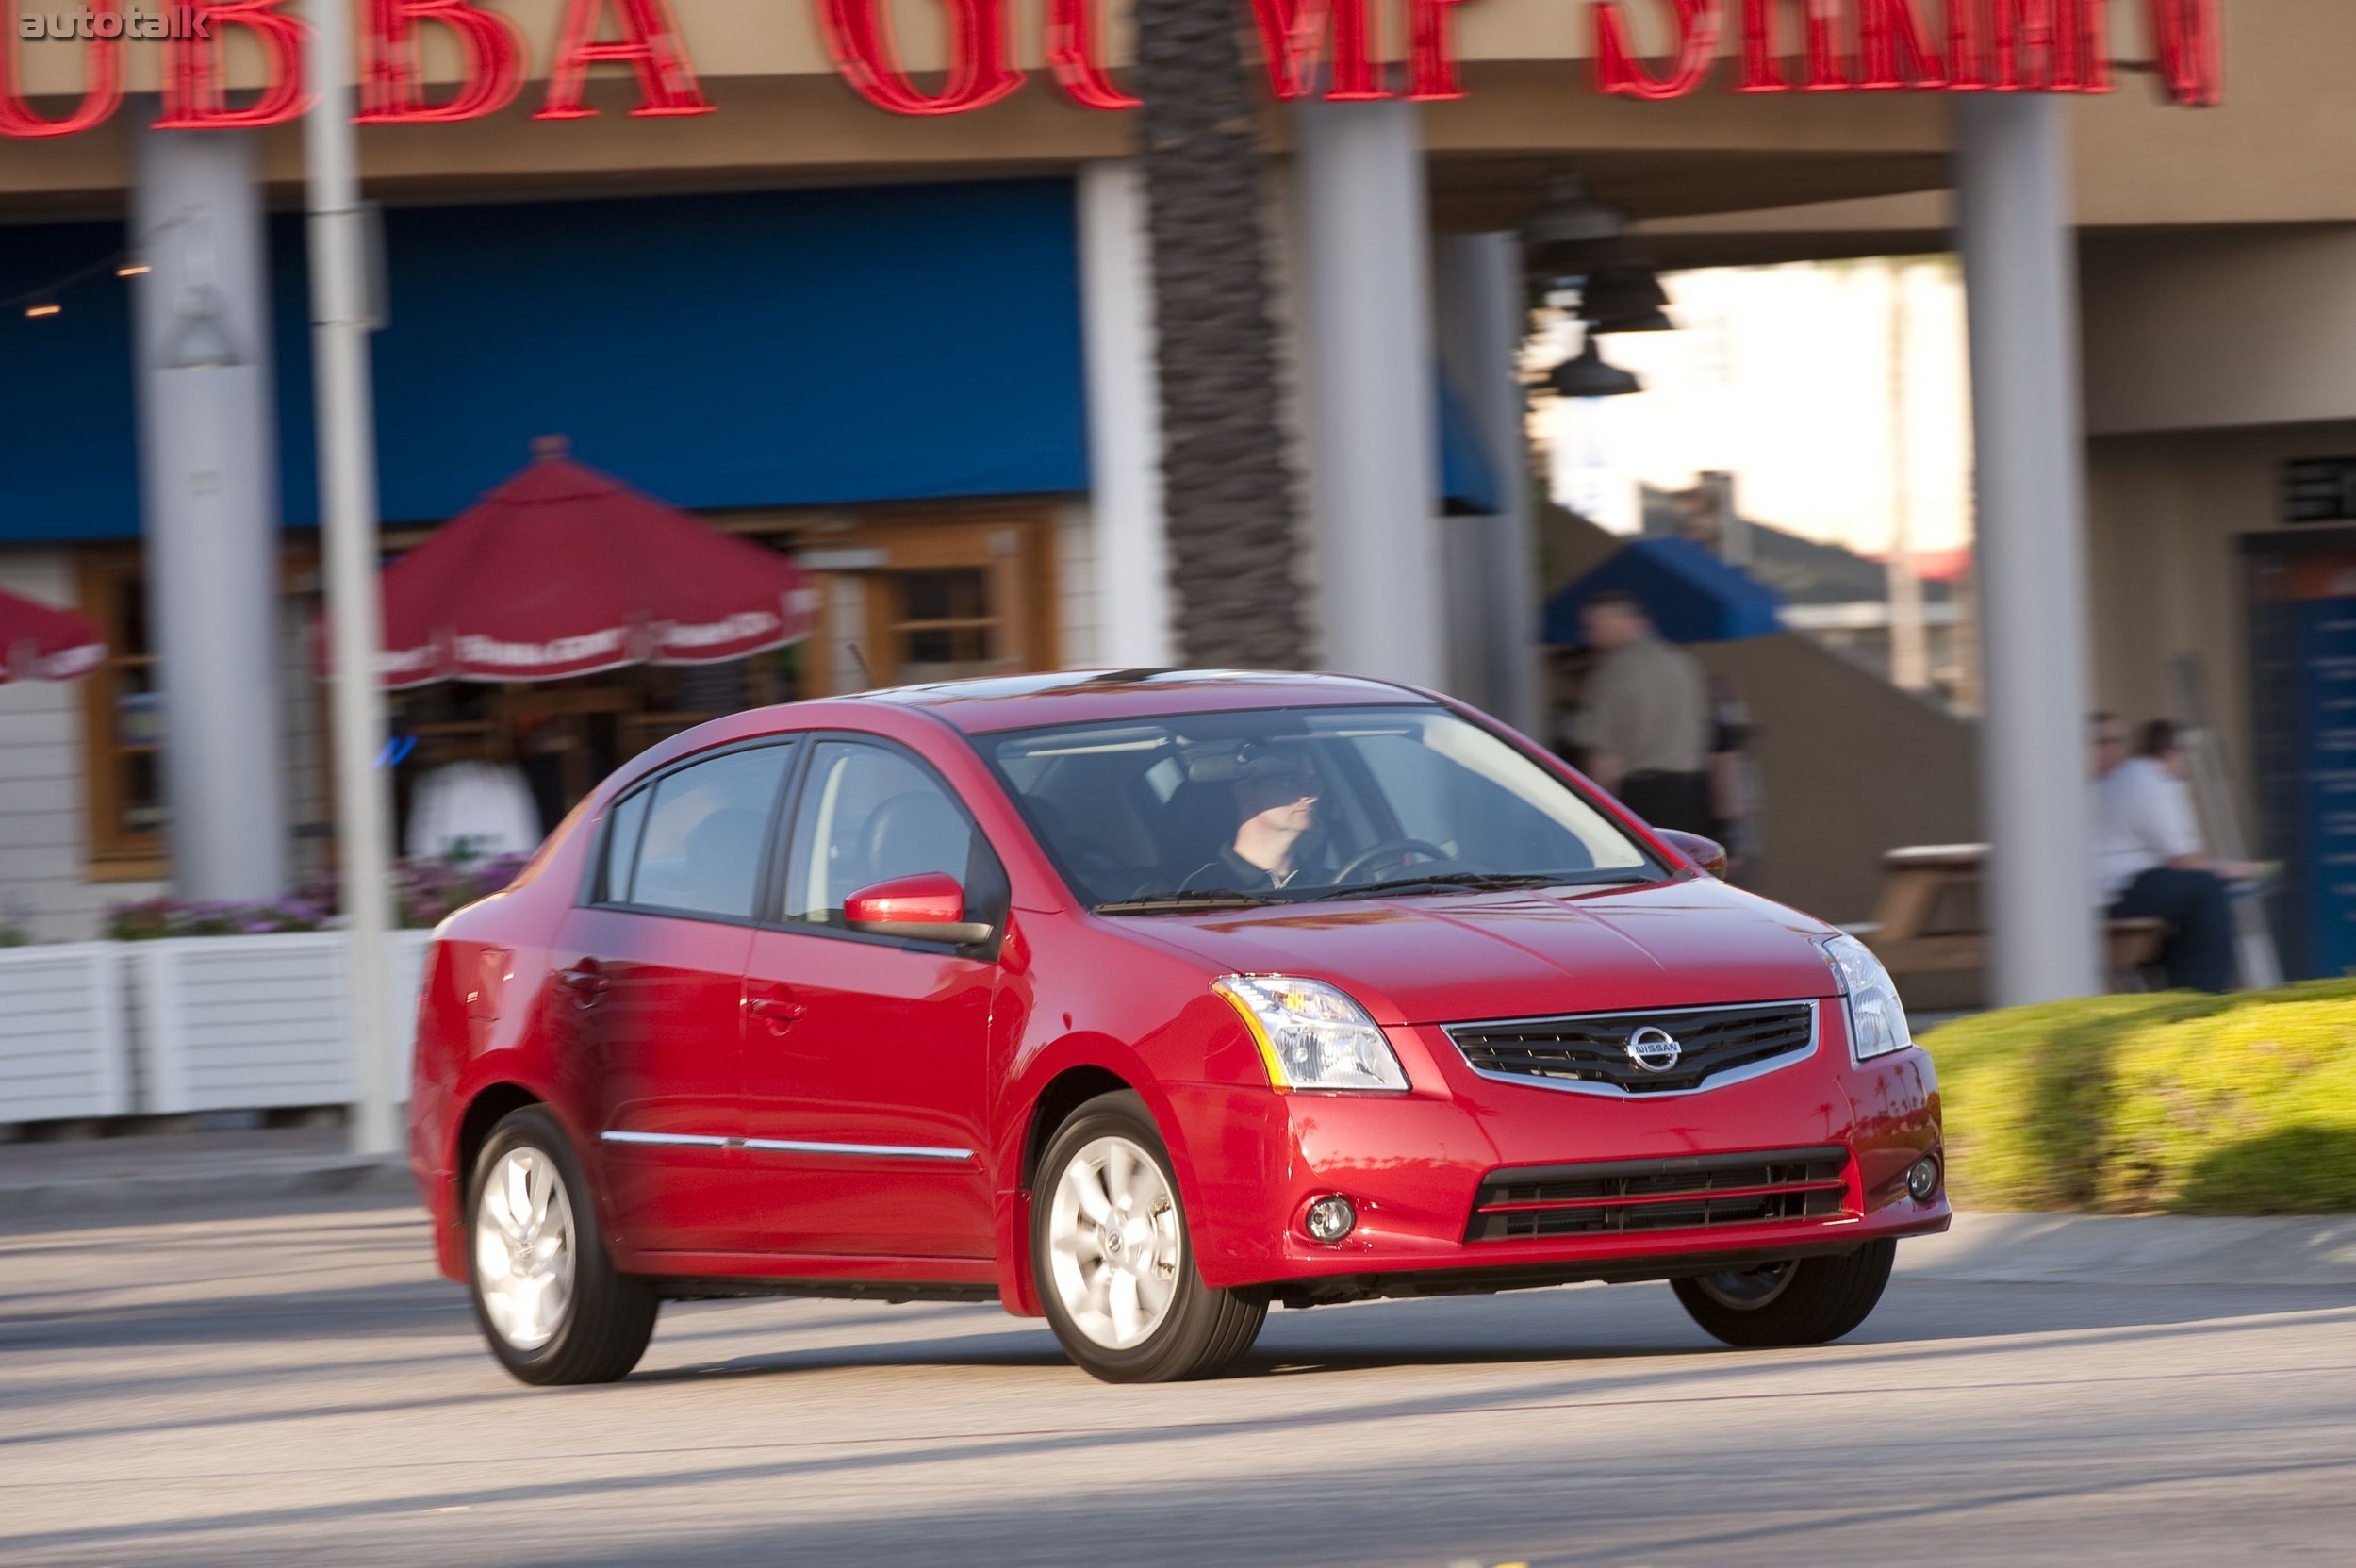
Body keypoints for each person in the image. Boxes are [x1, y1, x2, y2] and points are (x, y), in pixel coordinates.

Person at [2093, 718, 2249, 993]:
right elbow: (2184, 859)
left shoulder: (2131, 778)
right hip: (2116, 888)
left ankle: (2185, 990)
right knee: (2206, 891)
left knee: (2194, 904)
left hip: (2118, 884)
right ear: (2173, 752)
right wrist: (2231, 870)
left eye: (2117, 742)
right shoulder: (2148, 780)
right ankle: (2205, 996)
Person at [1573, 591, 1714, 834]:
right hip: (1691, 792)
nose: (1590, 635)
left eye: (1597, 626)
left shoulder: (1616, 668)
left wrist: (1595, 816)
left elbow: (1606, 755)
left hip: (1643, 796)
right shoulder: (1681, 661)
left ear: (1627, 621)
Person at [1184, 747, 1322, 892]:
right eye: (1295, 781)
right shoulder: (1199, 893)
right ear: (1245, 792)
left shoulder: (1332, 889)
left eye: (1313, 783)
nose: (1312, 796)